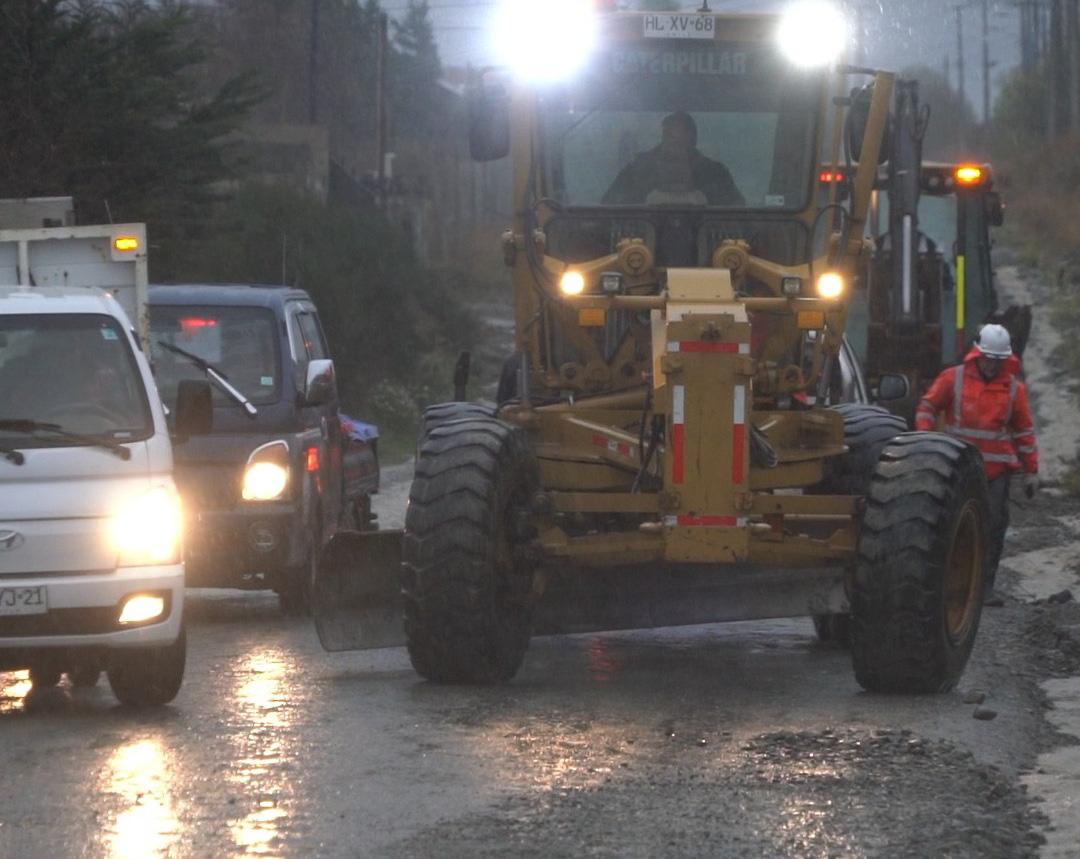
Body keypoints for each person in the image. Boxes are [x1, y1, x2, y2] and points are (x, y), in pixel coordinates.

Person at [915, 323, 1039, 604]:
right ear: (977, 354)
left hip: (994, 474)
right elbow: (927, 407)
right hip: (956, 470)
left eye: (998, 360)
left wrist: (1031, 471)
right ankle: (945, 587)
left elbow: (1024, 433)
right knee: (950, 526)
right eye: (988, 358)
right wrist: (926, 442)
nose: (992, 365)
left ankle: (983, 589)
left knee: (992, 529)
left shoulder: (1013, 390)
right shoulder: (953, 378)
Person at [602, 111, 745, 207]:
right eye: (670, 135)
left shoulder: (715, 175)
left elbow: (737, 214)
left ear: (693, 138)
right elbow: (609, 208)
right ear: (663, 136)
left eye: (683, 135)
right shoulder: (637, 171)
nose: (676, 142)